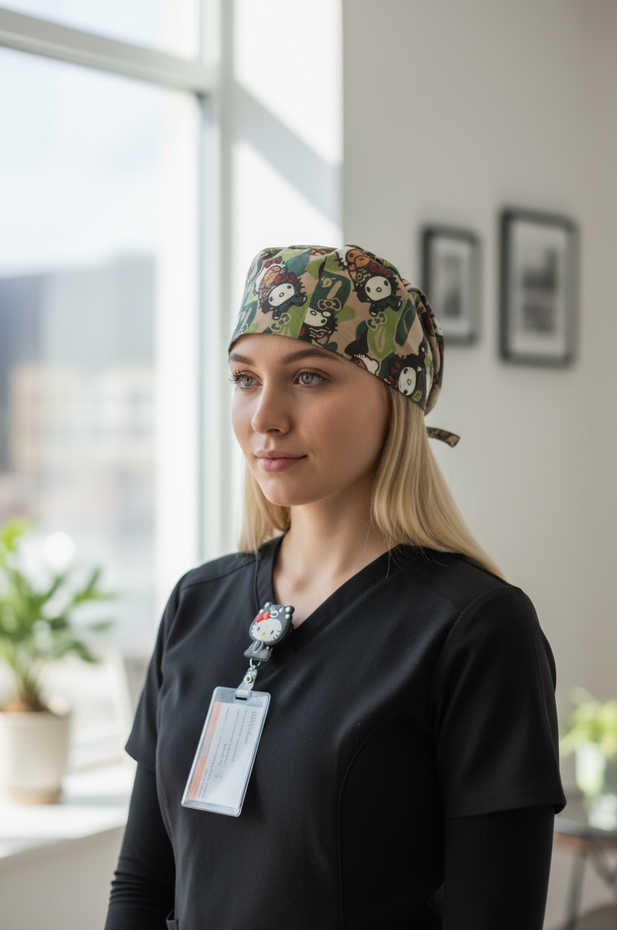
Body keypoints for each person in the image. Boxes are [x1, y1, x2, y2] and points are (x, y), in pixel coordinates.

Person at [104, 244, 566, 930]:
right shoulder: (197, 604)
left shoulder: (476, 630)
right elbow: (143, 883)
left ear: (395, 397)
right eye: (244, 378)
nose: (264, 417)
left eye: (310, 377)